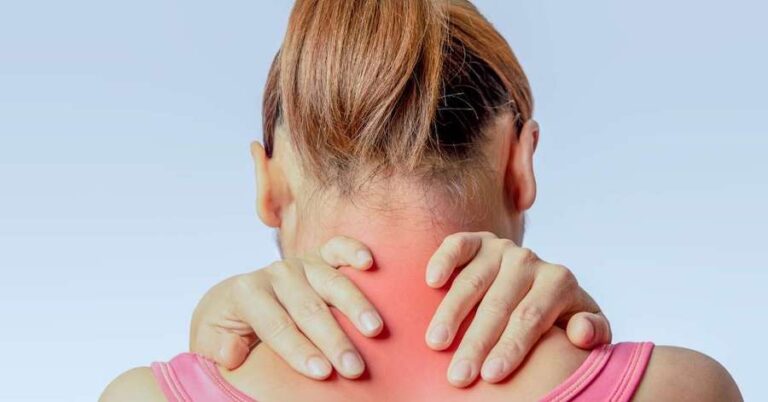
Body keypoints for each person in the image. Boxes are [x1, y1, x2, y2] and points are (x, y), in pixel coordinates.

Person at [100, 0, 741, 400]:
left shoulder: (142, 398)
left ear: (269, 184)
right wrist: (602, 365)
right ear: (519, 164)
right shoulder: (685, 390)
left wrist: (198, 371)